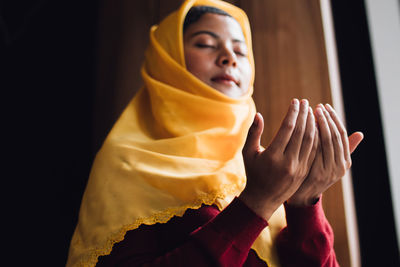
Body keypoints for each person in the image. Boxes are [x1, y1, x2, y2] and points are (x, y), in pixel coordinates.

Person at [66, 1, 364, 266]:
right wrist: (256, 203)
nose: (228, 58)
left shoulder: (263, 166)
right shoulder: (127, 161)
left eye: (240, 50)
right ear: (166, 60)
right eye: (206, 44)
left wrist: (305, 203)